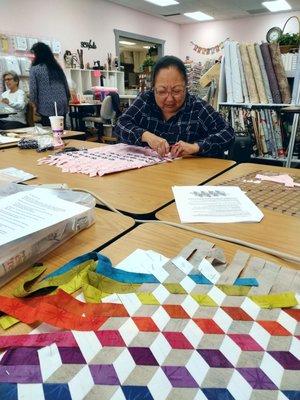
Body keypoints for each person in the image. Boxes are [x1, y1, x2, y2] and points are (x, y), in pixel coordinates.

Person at [115, 55, 235, 158]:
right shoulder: (145, 100)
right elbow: (121, 125)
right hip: (150, 175)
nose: (169, 99)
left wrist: (196, 147)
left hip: (189, 176)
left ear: (185, 87)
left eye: (176, 91)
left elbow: (228, 133)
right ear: (153, 88)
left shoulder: (197, 108)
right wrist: (146, 136)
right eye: (162, 91)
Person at [29, 42, 70, 126]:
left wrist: (34, 104)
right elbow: (65, 85)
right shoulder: (56, 67)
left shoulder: (35, 69)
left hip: (46, 104)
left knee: (49, 131)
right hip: (62, 101)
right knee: (61, 128)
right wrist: (67, 99)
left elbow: (33, 89)